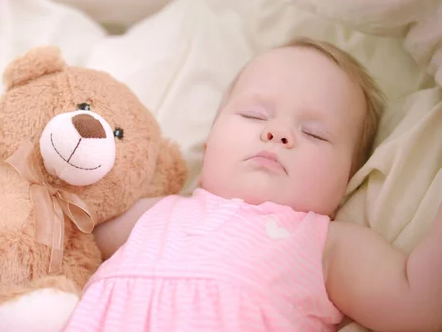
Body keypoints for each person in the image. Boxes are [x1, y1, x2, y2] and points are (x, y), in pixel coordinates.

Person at [62, 37, 442, 332]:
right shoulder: (155, 214)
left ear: (347, 181)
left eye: (314, 134)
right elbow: (59, 230)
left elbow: (419, 304)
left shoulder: (324, 245)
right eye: (254, 114)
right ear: (209, 144)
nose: (278, 132)